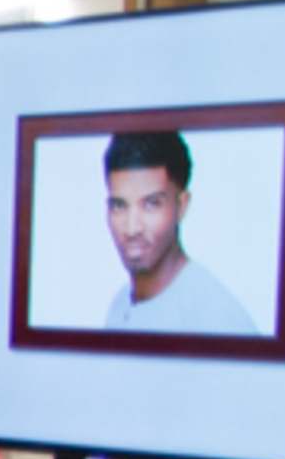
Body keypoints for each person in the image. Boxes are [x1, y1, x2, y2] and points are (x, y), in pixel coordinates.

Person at [100, 127, 257, 334]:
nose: (132, 228)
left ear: (182, 206)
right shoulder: (120, 305)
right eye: (120, 206)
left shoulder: (216, 319)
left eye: (151, 204)